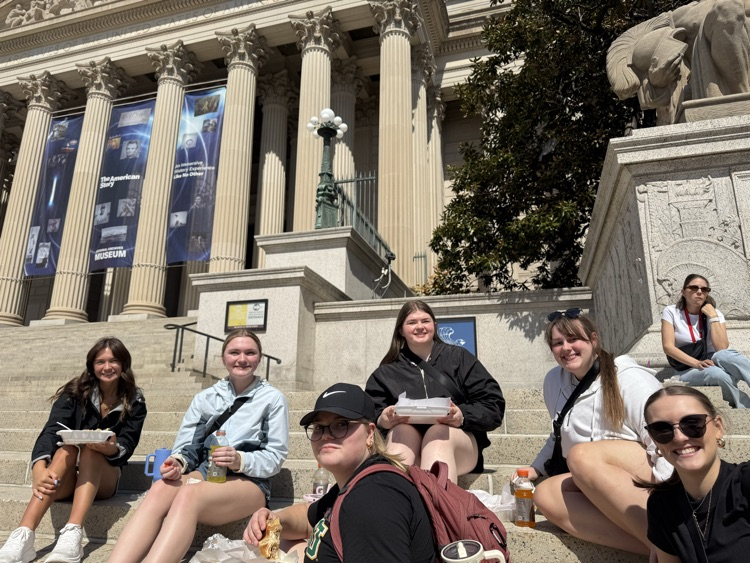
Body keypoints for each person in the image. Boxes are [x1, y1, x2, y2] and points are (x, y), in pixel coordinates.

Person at [108, 329, 288, 563]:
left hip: (249, 482)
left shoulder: (272, 399)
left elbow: (275, 456)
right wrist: (177, 463)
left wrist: (241, 460)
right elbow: (186, 447)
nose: (242, 359)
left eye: (250, 352)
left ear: (259, 358)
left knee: (188, 494)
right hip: (207, 474)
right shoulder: (205, 398)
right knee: (161, 487)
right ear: (224, 357)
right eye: (234, 352)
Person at [513, 309, 673, 555]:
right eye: (558, 343)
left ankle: (667, 542)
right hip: (593, 479)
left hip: (647, 475)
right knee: (545, 494)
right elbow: (559, 431)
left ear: (593, 340)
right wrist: (536, 468)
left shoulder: (630, 379)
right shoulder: (554, 381)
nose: (566, 348)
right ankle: (653, 546)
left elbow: (666, 438)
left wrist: (672, 500)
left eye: (573, 339)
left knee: (581, 456)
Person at [243, 383, 437, 562]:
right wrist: (273, 518)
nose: (326, 434)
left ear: (370, 433)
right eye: (319, 427)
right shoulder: (354, 483)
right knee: (284, 543)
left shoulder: (372, 497)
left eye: (341, 424)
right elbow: (309, 518)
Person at [0, 337, 147, 563]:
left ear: (124, 364)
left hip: (105, 477)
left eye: (114, 361)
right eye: (100, 362)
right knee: (66, 449)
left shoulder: (134, 400)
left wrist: (109, 449)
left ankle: (72, 532)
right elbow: (52, 430)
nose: (107, 367)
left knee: (91, 450)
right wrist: (39, 468)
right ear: (92, 366)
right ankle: (23, 535)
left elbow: (128, 444)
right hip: (66, 479)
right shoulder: (75, 392)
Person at [365, 300, 505, 482]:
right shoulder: (386, 372)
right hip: (407, 448)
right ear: (401, 330)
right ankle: (393, 502)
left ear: (435, 326)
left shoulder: (459, 358)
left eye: (425, 321)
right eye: (412, 322)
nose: (420, 327)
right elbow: (365, 417)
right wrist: (382, 419)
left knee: (438, 434)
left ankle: (438, 508)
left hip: (457, 446)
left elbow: (493, 406)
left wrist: (462, 416)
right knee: (401, 432)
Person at [642, 385, 747, 562]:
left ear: (718, 427)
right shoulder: (661, 506)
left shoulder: (745, 483)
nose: (679, 437)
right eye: (662, 429)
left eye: (692, 424)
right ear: (654, 441)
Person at [608, 0, 750, 124]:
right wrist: (656, 82)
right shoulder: (689, 13)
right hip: (720, 97)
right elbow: (634, 48)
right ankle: (743, 100)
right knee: (727, 8)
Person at [662, 273, 750, 409]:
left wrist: (713, 317)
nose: (699, 292)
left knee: (724, 355)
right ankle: (746, 406)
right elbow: (668, 347)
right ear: (684, 292)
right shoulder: (671, 312)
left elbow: (721, 348)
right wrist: (697, 363)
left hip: (713, 361)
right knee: (718, 375)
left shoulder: (715, 314)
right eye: (694, 288)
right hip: (687, 368)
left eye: (704, 289)